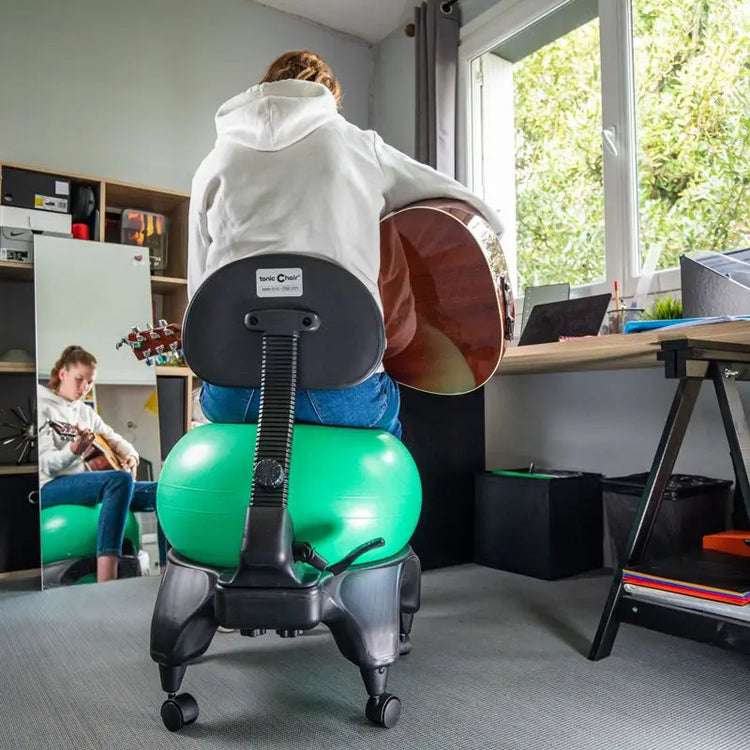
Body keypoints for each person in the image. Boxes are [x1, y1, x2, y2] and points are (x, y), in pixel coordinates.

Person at [188, 50, 504, 439]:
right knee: (392, 403)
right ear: (329, 97)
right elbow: (479, 212)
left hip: (233, 392)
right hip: (342, 393)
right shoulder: (359, 146)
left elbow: (198, 295)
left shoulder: (213, 163)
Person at [38, 345, 167, 583]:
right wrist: (74, 450)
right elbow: (47, 465)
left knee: (163, 492)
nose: (84, 388)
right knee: (119, 481)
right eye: (79, 379)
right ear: (62, 373)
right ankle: (106, 578)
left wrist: (131, 455)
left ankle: (168, 571)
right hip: (51, 486)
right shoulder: (42, 405)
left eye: (89, 382)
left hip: (87, 485)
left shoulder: (84, 412)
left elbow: (113, 437)